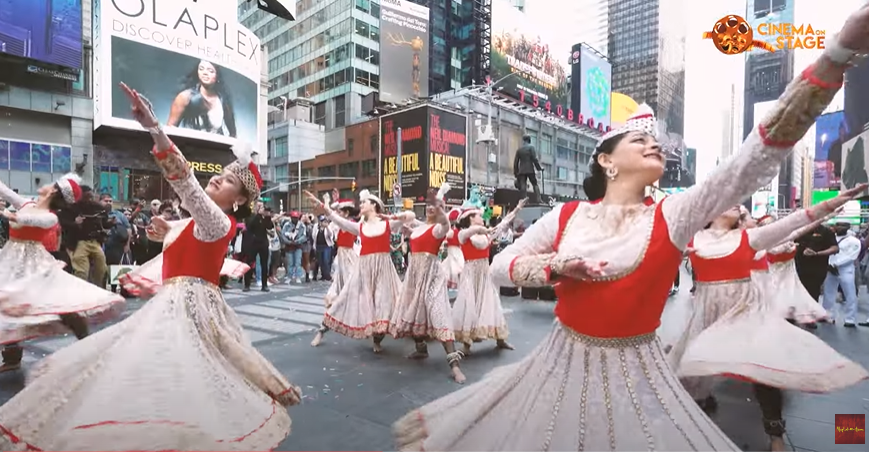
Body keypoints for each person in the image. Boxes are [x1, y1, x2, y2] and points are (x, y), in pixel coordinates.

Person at [391, 11, 869, 448]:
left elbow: (754, 160)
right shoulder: (566, 216)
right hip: (559, 363)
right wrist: (556, 266)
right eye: (640, 139)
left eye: (656, 141)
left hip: (638, 372)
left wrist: (835, 57)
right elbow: (499, 267)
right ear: (606, 159)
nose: (654, 146)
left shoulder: (675, 214)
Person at [0, 83, 300, 451]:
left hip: (190, 313)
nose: (219, 178)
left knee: (169, 376)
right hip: (172, 307)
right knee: (155, 376)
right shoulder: (191, 222)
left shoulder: (218, 222)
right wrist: (163, 232)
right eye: (221, 173)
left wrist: (155, 129)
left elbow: (186, 184)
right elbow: (179, 234)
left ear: (238, 202)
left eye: (230, 181)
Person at [0, 174, 124, 374]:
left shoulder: (50, 217)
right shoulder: (26, 203)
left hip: (34, 266)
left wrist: (9, 214)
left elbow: (27, 219)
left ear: (54, 190)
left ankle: (87, 342)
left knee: (59, 307)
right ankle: (12, 356)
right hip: (12, 262)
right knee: (9, 304)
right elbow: (4, 191)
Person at [306, 189, 408, 352]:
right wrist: (322, 205)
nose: (360, 205)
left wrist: (393, 214)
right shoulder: (359, 227)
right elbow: (337, 220)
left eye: (364, 202)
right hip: (363, 270)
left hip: (383, 272)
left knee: (384, 305)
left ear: (373, 205)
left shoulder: (387, 224)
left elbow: (408, 216)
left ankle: (377, 341)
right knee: (344, 299)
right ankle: (322, 330)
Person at [388, 184, 466, 383]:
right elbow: (400, 226)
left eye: (436, 206)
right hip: (414, 277)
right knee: (413, 311)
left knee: (439, 315)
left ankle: (454, 366)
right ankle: (421, 350)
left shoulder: (439, 229)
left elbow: (446, 224)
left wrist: (441, 209)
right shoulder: (417, 228)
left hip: (432, 278)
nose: (431, 208)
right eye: (429, 205)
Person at [167, 60, 237, 137]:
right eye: (201, 69)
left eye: (210, 71)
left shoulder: (222, 99)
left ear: (217, 75)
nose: (205, 73)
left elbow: (233, 133)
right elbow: (169, 131)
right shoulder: (185, 97)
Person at [822, 221, 863, 327]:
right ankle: (828, 315)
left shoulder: (854, 241)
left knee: (850, 294)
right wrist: (829, 265)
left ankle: (850, 319)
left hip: (846, 269)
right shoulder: (831, 238)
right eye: (838, 225)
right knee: (828, 293)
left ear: (848, 227)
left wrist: (836, 264)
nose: (839, 227)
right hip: (830, 268)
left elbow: (852, 256)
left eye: (843, 226)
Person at [69, 186, 111, 285]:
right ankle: (80, 289)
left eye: (91, 197)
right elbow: (64, 222)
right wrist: (75, 222)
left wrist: (111, 223)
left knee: (101, 266)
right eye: (87, 197)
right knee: (81, 270)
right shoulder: (73, 207)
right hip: (80, 241)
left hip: (95, 241)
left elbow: (104, 222)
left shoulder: (97, 207)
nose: (90, 199)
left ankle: (97, 286)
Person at [101, 193, 132, 292]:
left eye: (110, 201)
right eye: (106, 201)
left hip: (116, 247)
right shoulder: (97, 214)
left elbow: (128, 229)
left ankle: (114, 289)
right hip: (102, 245)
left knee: (114, 268)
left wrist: (127, 244)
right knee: (102, 269)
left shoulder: (119, 215)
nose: (109, 203)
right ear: (100, 201)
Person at [243, 204, 273, 292]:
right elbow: (250, 226)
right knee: (249, 263)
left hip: (263, 243)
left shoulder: (265, 218)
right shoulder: (251, 216)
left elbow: (269, 226)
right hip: (253, 243)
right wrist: (258, 214)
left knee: (264, 264)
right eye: (260, 206)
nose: (262, 209)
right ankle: (247, 285)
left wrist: (268, 217)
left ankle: (264, 285)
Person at [513, 135, 543, 203]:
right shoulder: (531, 148)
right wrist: (539, 168)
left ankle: (524, 201)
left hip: (522, 170)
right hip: (530, 169)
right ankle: (538, 199)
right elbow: (534, 159)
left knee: (523, 185)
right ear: (529, 140)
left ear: (524, 141)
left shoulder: (519, 150)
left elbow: (515, 163)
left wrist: (516, 173)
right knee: (534, 184)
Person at [281, 211, 307, 284]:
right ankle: (289, 276)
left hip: (298, 246)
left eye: (296, 218)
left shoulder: (302, 225)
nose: (294, 219)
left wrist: (297, 241)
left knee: (298, 262)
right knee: (290, 263)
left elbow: (304, 236)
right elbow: (283, 235)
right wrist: (288, 242)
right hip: (289, 246)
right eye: (293, 218)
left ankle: (298, 277)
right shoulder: (286, 225)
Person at [311, 214, 335, 281]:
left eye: (325, 221)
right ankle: (323, 275)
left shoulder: (328, 227)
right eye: (322, 221)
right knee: (320, 261)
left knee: (326, 260)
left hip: (326, 246)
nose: (323, 223)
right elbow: (313, 236)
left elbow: (331, 235)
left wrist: (326, 227)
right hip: (318, 246)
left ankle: (327, 275)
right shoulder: (316, 226)